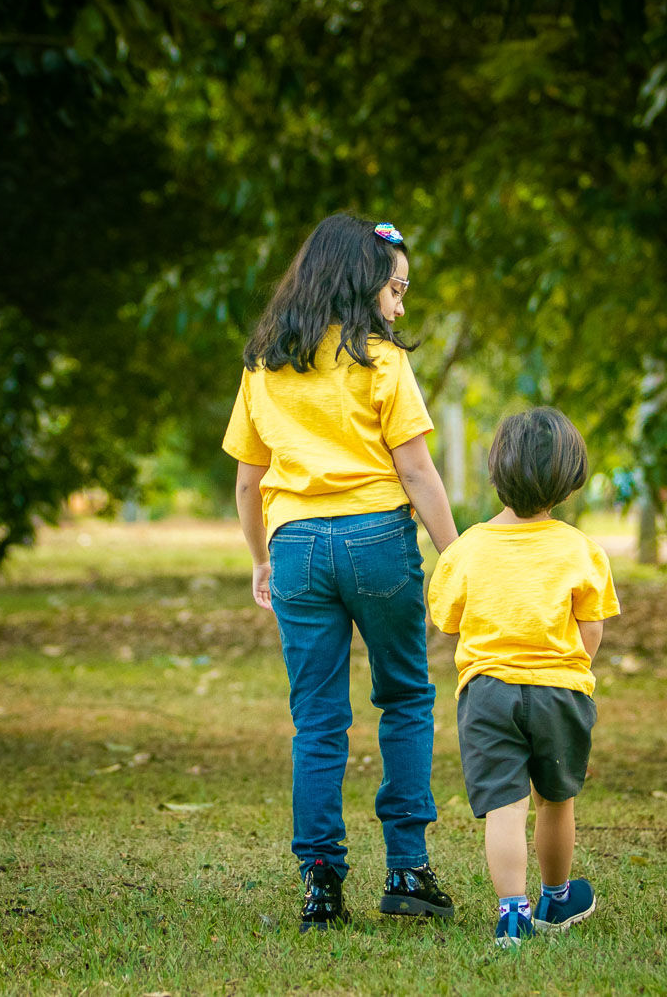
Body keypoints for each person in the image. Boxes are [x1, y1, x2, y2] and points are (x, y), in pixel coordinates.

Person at [224, 213, 459, 931]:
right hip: (378, 543)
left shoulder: (265, 361)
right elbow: (416, 469)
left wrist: (262, 558)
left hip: (296, 547)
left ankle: (321, 883)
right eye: (395, 289)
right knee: (407, 697)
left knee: (317, 720)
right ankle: (408, 869)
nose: (401, 304)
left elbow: (246, 480)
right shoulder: (382, 362)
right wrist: (459, 556)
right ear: (362, 284)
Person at [427, 407, 620, 948]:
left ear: (496, 473)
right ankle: (555, 900)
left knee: (504, 807)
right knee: (555, 800)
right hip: (560, 691)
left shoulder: (467, 548)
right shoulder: (582, 550)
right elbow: (591, 634)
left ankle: (511, 913)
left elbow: (445, 618)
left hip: (488, 693)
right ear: (568, 479)